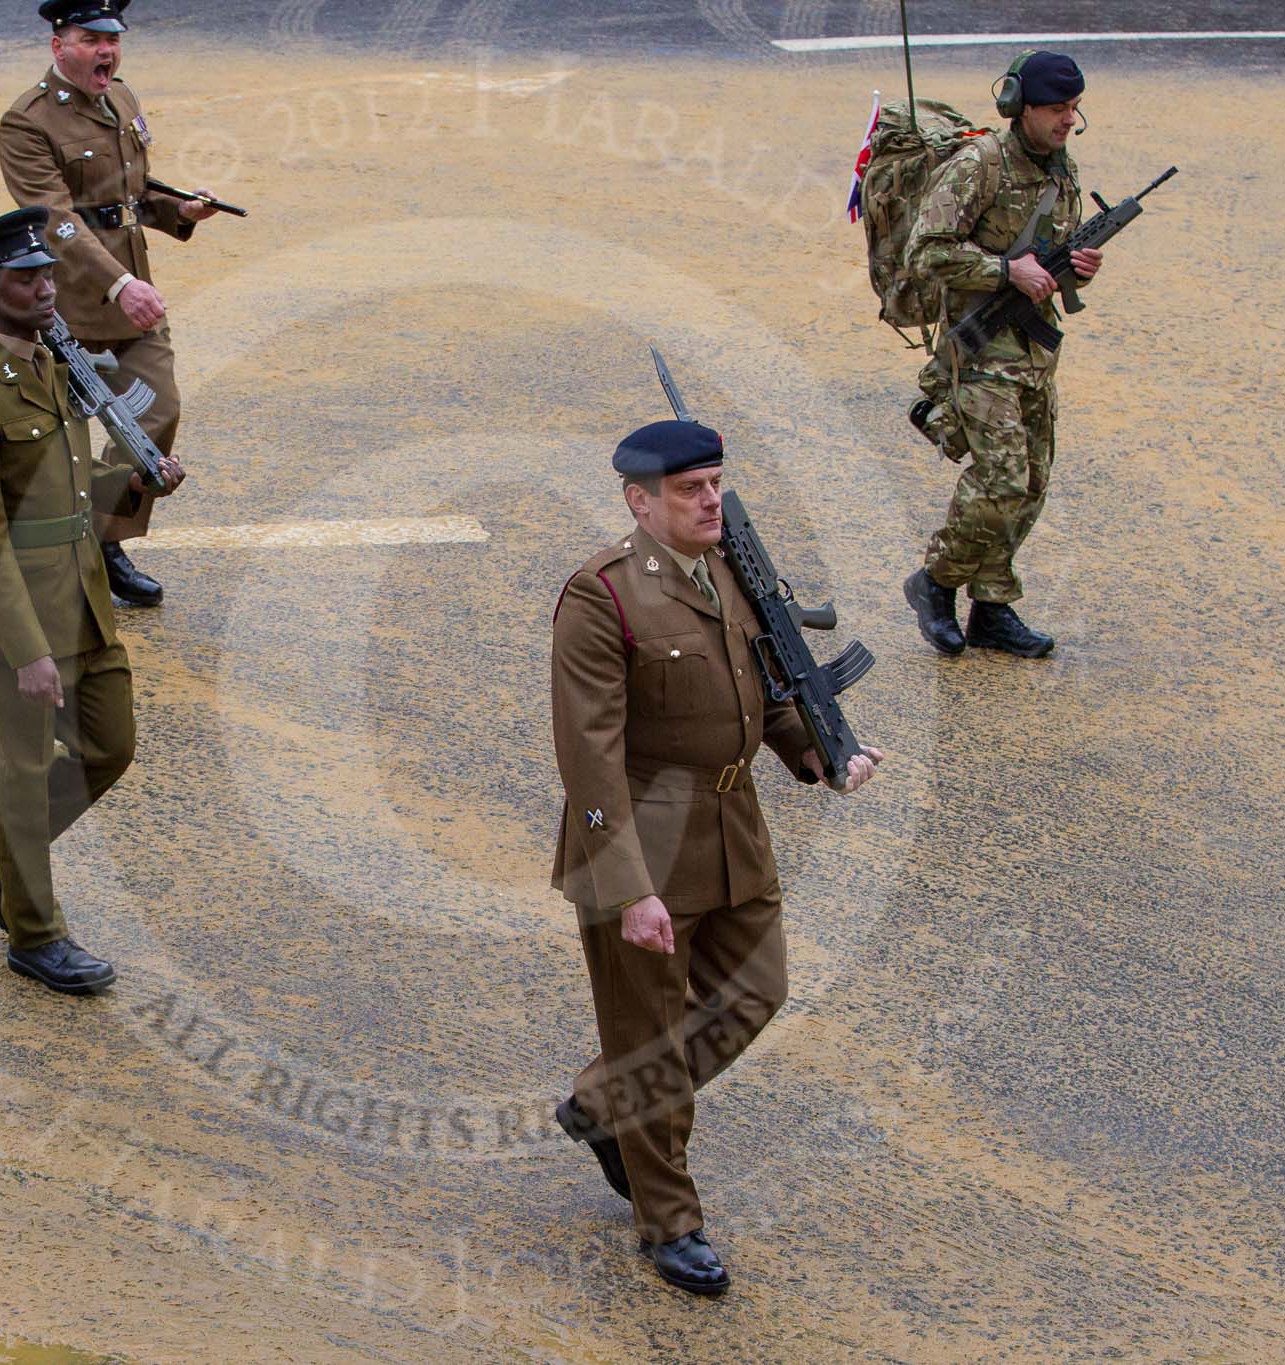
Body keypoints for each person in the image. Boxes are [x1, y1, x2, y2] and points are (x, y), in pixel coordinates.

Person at [549, 422, 882, 1294]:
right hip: (641, 844)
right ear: (639, 500)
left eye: (715, 484)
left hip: (735, 826)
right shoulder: (602, 595)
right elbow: (588, 751)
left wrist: (812, 750)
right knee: (649, 1039)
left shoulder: (732, 572)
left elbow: (758, 686)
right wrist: (627, 887)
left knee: (756, 992)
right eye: (689, 488)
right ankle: (671, 1221)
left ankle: (601, 1102)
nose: (709, 501)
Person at [0, 206, 183, 996]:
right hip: (20, 622)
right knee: (25, 769)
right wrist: (26, 649)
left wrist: (134, 483)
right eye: (25, 279)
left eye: (47, 274)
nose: (45, 289)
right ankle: (35, 935)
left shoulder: (54, 369)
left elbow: (70, 494)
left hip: (83, 596)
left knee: (109, 747)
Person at [0, 0, 222, 610]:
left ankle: (104, 540)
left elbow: (128, 193)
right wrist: (120, 282)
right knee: (51, 438)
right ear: (58, 46)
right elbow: (58, 220)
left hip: (132, 302)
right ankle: (58, 548)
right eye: (92, 38)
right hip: (63, 306)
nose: (107, 51)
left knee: (155, 414)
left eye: (113, 39)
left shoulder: (121, 99)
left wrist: (180, 211)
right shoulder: (27, 123)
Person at [902, 50, 1102, 659]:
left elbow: (1051, 256)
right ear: (1020, 107)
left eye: (1074, 108)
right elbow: (925, 251)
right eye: (1056, 109)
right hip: (980, 346)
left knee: (1033, 483)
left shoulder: (1061, 170)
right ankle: (934, 584)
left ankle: (991, 605)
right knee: (1001, 478)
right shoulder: (978, 166)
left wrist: (1078, 269)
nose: (1068, 120)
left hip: (1033, 353)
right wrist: (1002, 270)